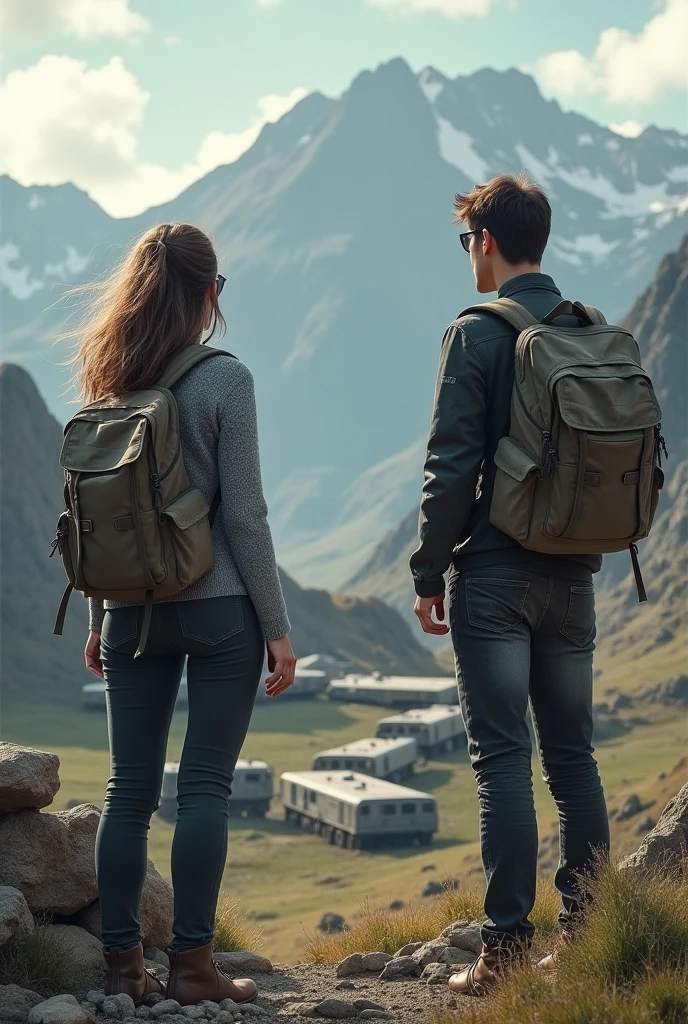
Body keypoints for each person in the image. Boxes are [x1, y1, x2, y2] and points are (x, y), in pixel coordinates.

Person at [78, 223, 296, 1006]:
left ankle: (121, 970)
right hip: (220, 609)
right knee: (204, 786)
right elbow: (245, 517)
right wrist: (276, 625)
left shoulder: (111, 377)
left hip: (131, 612)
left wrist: (102, 619)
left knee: (125, 793)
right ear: (209, 292)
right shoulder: (225, 380)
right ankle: (196, 969)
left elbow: (105, 516)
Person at [410, 175, 610, 996]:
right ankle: (593, 933)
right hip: (575, 576)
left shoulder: (478, 332)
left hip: (494, 579)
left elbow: (451, 464)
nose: (469, 256)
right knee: (573, 757)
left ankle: (504, 952)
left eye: (468, 242)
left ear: (485, 241)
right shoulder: (587, 327)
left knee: (502, 760)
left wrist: (429, 568)